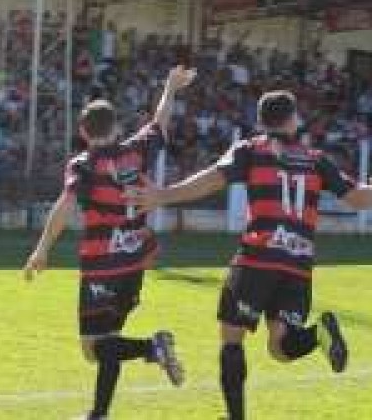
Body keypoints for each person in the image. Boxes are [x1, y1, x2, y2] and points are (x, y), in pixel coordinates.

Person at [129, 90, 372, 420]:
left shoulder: (251, 150)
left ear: (262, 120)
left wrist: (162, 195)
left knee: (231, 339)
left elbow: (212, 180)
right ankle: (319, 334)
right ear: (292, 120)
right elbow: (358, 198)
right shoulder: (316, 159)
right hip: (298, 266)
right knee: (281, 347)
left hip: (258, 258)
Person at [23, 65, 196, 420]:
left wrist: (42, 249)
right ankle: (99, 413)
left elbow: (65, 205)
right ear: (116, 127)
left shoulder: (84, 164)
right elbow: (160, 123)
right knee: (111, 340)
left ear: (83, 132)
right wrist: (170, 88)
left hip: (103, 265)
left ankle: (153, 347)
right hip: (135, 263)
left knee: (94, 348)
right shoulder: (136, 151)